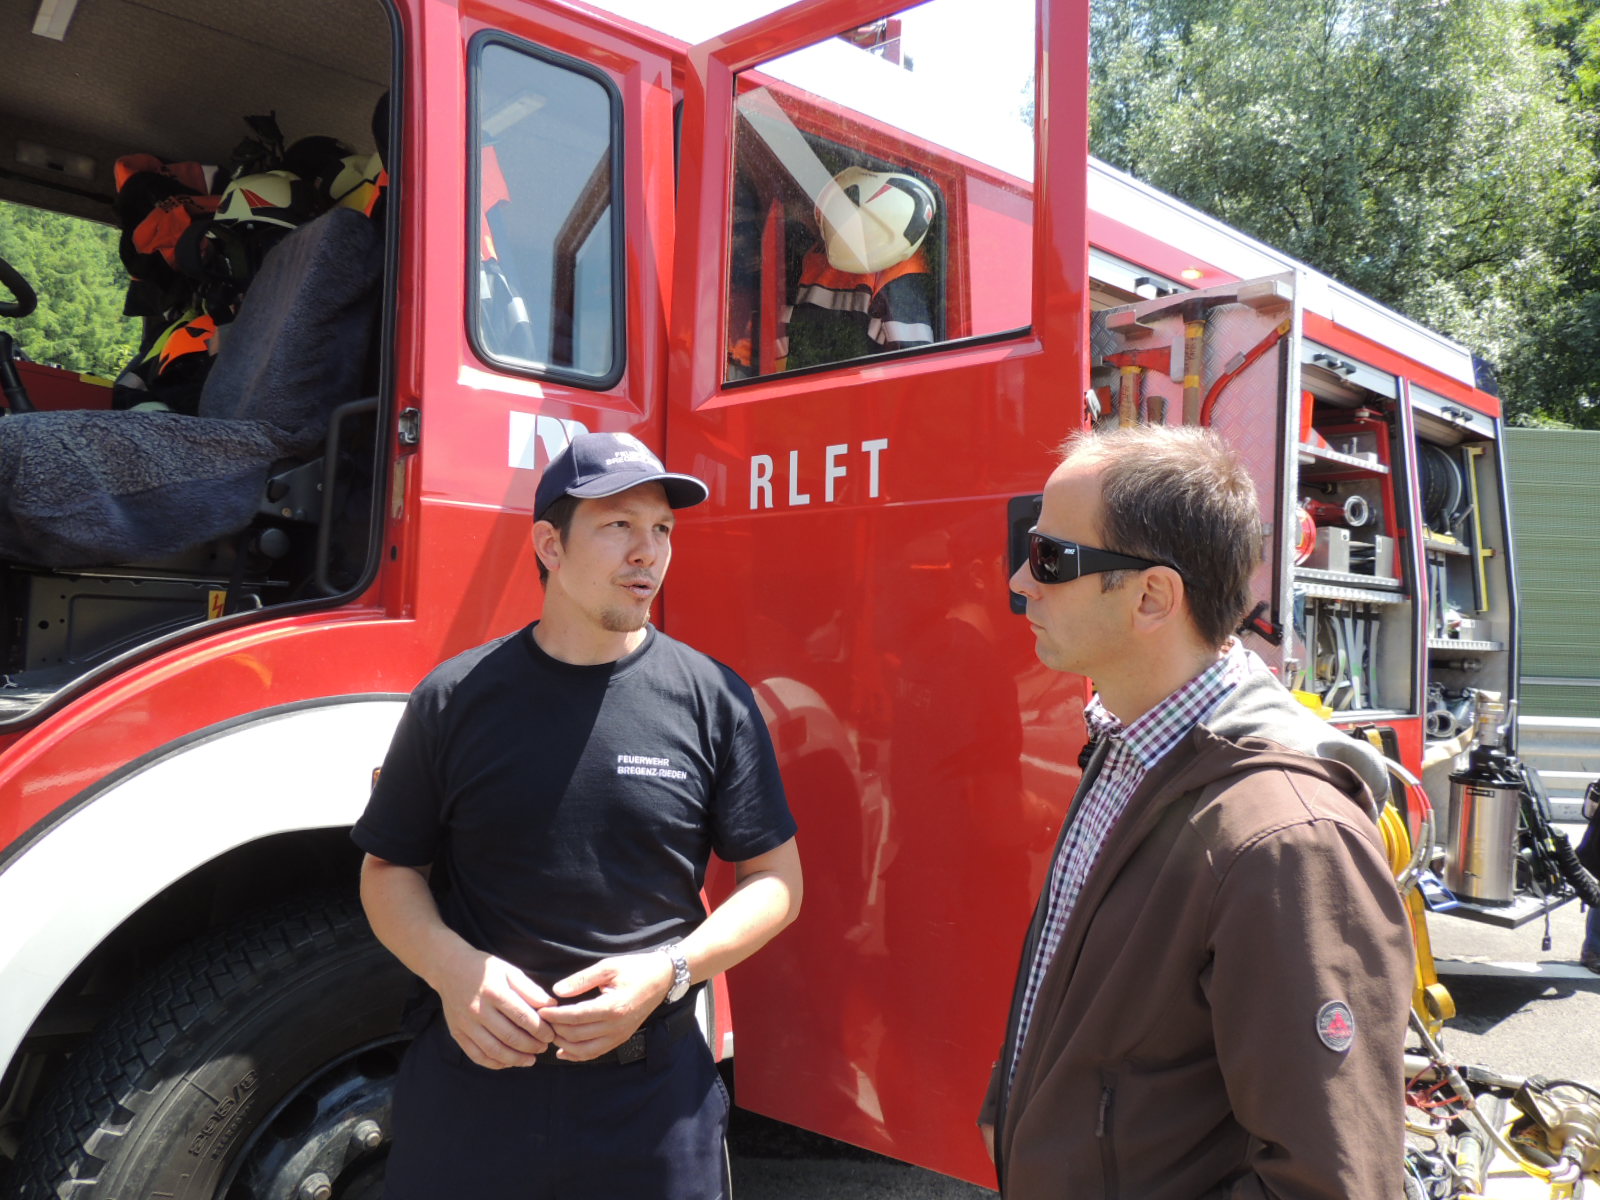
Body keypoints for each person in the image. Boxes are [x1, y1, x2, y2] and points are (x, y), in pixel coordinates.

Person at [354, 431, 802, 1200]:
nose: (648, 552)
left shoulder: (713, 699)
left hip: (650, 1108)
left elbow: (777, 883)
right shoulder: (454, 699)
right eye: (618, 525)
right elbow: (389, 870)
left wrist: (669, 971)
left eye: (661, 529)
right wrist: (453, 969)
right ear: (549, 545)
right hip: (473, 1097)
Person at [979, 424, 1413, 1199]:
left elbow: (1326, 1182)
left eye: (1049, 557)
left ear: (1152, 597)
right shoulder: (1128, 745)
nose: (1020, 579)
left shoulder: (1288, 842)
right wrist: (1011, 1108)